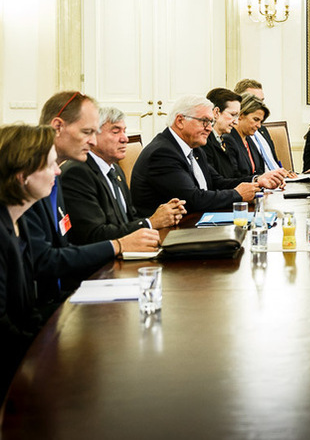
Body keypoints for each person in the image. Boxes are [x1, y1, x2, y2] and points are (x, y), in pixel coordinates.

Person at [22, 92, 159, 311]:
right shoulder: (31, 182)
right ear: (57, 127)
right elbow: (45, 261)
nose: (93, 141)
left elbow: (65, 246)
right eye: (87, 132)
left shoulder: (54, 176)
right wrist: (118, 245)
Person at [61, 106, 185, 244]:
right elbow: (94, 234)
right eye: (115, 132)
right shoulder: (78, 173)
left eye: (124, 131)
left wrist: (165, 215)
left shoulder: (115, 169)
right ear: (92, 135)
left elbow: (130, 218)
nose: (125, 138)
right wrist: (151, 222)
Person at [130, 95, 259, 215]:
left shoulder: (194, 147)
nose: (209, 128)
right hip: (166, 232)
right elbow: (193, 199)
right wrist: (237, 194)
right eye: (204, 121)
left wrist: (256, 181)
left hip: (194, 222)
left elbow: (217, 182)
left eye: (211, 122)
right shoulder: (162, 153)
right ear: (180, 121)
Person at [0, 124, 51, 395]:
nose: (57, 171)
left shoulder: (20, 220)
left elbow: (26, 308)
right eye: (51, 165)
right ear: (22, 176)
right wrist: (42, 353)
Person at [203, 89, 285, 189]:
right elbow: (218, 183)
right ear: (216, 113)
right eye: (233, 115)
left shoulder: (224, 140)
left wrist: (263, 179)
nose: (236, 122)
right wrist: (256, 180)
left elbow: (231, 178)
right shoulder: (205, 142)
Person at [227, 94, 286, 189]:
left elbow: (260, 172)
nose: (259, 126)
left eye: (261, 122)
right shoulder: (228, 139)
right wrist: (257, 180)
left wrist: (272, 179)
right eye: (255, 120)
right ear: (241, 115)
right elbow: (232, 178)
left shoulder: (250, 140)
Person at [232, 79, 285, 173]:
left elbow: (275, 163)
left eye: (261, 101)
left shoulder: (262, 130)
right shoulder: (231, 136)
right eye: (254, 99)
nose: (260, 104)